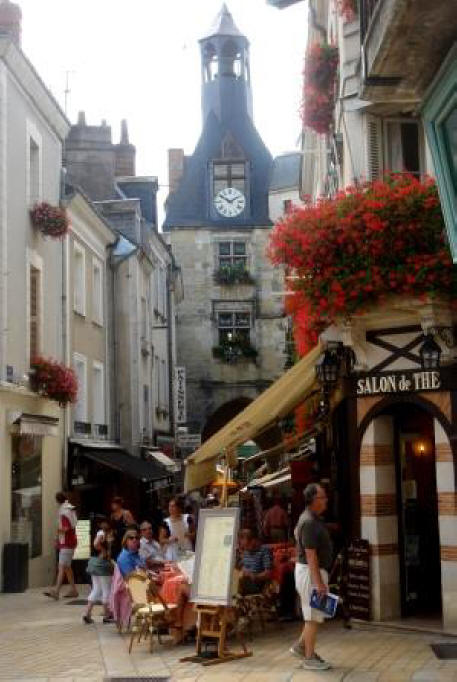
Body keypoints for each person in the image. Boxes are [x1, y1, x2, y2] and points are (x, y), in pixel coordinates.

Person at [290, 483, 333, 671]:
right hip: (310, 573)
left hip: (311, 572)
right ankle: (308, 657)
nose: (326, 500)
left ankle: (301, 647)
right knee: (312, 617)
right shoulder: (308, 521)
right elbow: (310, 555)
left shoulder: (311, 519)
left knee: (315, 615)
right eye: (323, 497)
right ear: (314, 500)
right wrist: (319, 583)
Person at [44, 492, 78, 600]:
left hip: (66, 542)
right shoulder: (70, 509)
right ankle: (73, 590)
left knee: (62, 566)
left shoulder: (63, 512)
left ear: (57, 501)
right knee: (67, 567)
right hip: (71, 541)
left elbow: (66, 528)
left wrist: (57, 534)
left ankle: (56, 591)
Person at [83, 538, 113, 624]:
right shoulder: (105, 550)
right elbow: (108, 558)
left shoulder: (95, 548)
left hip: (95, 570)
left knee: (96, 590)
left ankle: (87, 613)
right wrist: (109, 545)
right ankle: (107, 615)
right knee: (106, 591)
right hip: (104, 572)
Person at [238, 528, 273, 595]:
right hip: (245, 581)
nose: (245, 549)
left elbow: (268, 573)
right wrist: (242, 569)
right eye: (244, 547)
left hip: (257, 584)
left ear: (254, 541)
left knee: (235, 588)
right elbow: (242, 566)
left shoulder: (264, 551)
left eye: (247, 546)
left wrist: (255, 576)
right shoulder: (246, 551)